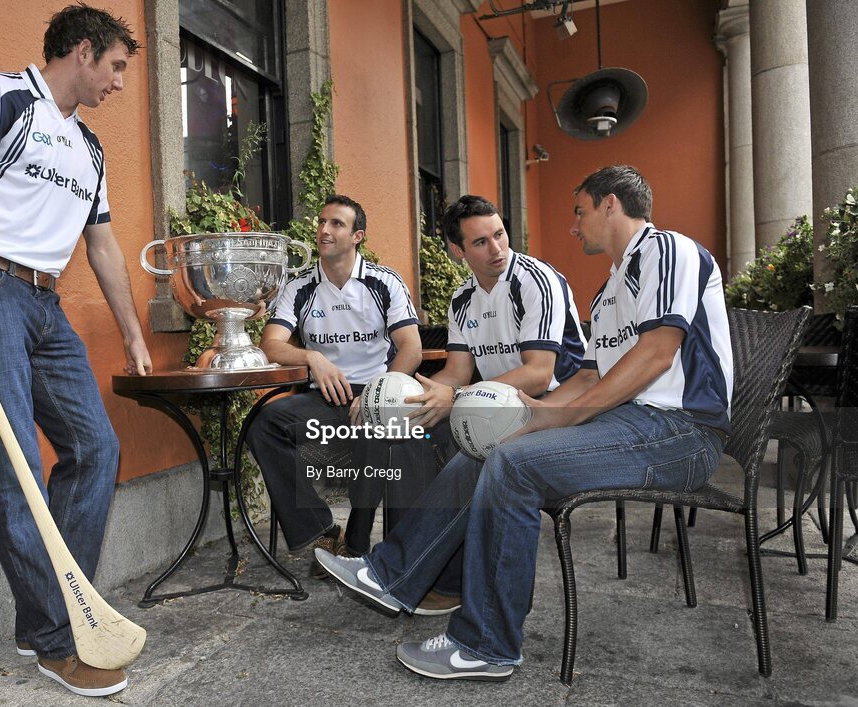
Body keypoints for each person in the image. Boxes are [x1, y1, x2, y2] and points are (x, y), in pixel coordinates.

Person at [316, 165, 732, 681]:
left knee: (512, 463)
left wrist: (558, 413)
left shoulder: (667, 251)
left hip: (681, 433)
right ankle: (390, 573)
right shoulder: (608, 292)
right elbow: (586, 375)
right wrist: (532, 416)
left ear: (609, 204)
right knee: (494, 444)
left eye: (579, 211)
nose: (575, 226)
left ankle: (487, 645)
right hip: (630, 423)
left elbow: (657, 354)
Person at [0, 5, 151, 698]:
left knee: (96, 449)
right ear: (82, 52)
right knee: (16, 465)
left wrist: (135, 332)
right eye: (114, 67)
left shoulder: (91, 149)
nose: (117, 83)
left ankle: (57, 608)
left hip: (45, 305)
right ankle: (56, 638)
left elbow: (102, 246)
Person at [360, 194, 586, 616]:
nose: (497, 249)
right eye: (481, 242)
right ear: (458, 251)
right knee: (410, 431)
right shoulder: (462, 299)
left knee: (479, 454)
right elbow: (456, 373)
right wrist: (397, 399)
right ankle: (436, 582)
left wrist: (458, 397)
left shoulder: (536, 281)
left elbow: (539, 372)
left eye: (499, 235)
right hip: (497, 404)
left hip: (555, 407)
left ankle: (398, 572)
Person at [245, 194, 422, 576]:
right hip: (322, 397)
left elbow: (412, 348)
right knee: (263, 425)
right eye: (322, 222)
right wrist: (311, 357)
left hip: (376, 392)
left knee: (374, 428)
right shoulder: (300, 287)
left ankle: (356, 544)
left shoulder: (384, 282)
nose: (324, 230)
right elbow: (271, 344)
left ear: (357, 235)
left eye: (336, 224)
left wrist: (377, 394)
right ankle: (322, 529)